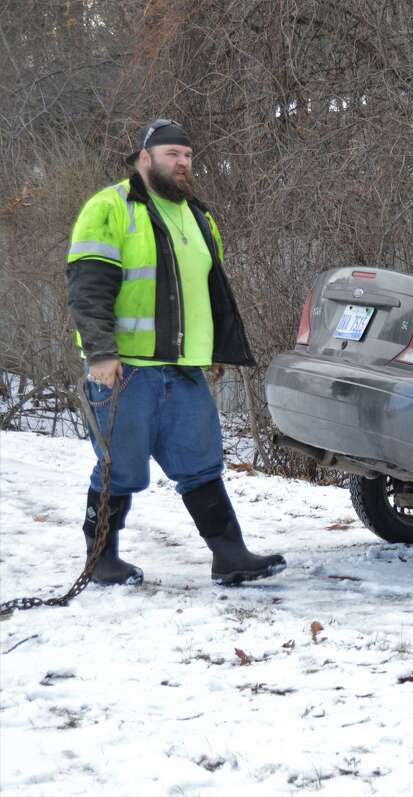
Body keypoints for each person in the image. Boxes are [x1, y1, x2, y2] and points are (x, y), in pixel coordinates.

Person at [65, 118, 286, 586]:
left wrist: (215, 349)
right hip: (124, 372)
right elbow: (88, 289)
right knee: (118, 469)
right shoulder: (109, 208)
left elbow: (207, 291)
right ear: (145, 159)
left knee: (201, 464)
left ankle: (230, 555)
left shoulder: (199, 217)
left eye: (188, 156)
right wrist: (101, 353)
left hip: (184, 371)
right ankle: (101, 560)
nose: (183, 163)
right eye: (172, 155)